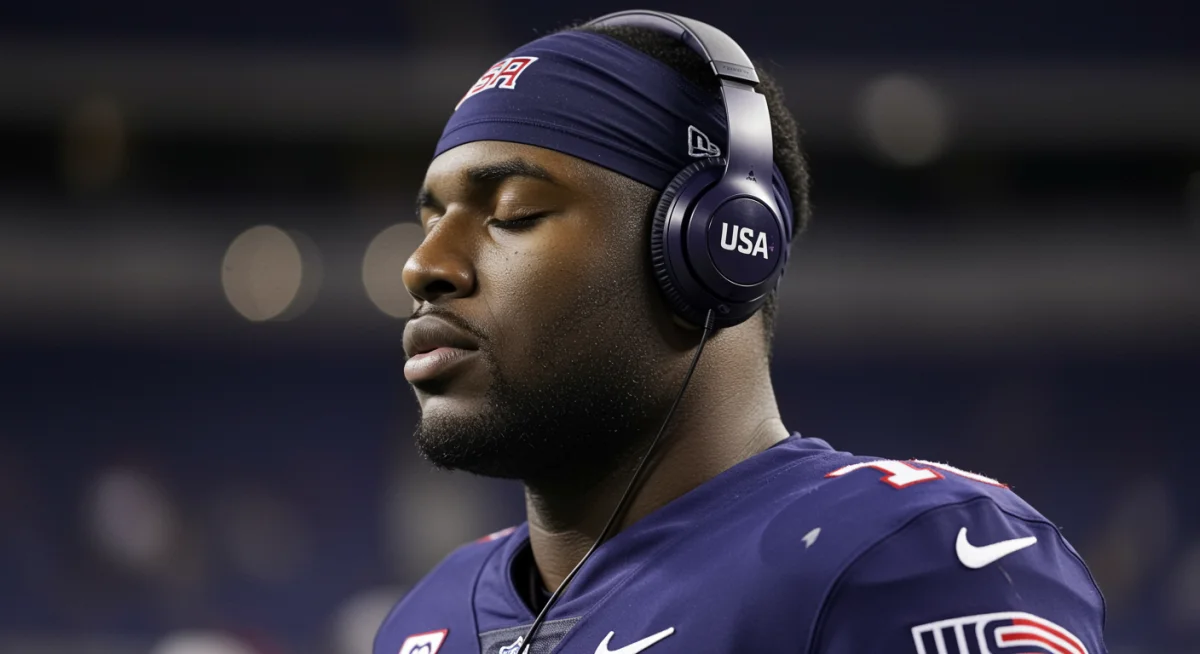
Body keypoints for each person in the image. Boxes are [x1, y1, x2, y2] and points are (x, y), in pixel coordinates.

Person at [375, 10, 1107, 654]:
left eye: (512, 212)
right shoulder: (427, 618)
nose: (424, 265)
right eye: (430, 220)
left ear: (718, 247)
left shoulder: (919, 558)